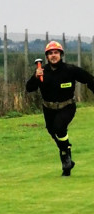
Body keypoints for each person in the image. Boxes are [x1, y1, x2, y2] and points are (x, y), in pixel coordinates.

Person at [26, 40, 94, 176]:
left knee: (59, 128)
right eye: (50, 53)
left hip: (67, 106)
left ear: (61, 54)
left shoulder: (70, 70)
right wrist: (35, 77)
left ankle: (65, 158)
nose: (53, 55)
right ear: (46, 57)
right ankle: (66, 154)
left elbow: (89, 79)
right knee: (53, 132)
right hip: (48, 108)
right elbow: (29, 88)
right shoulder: (41, 72)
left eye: (56, 52)